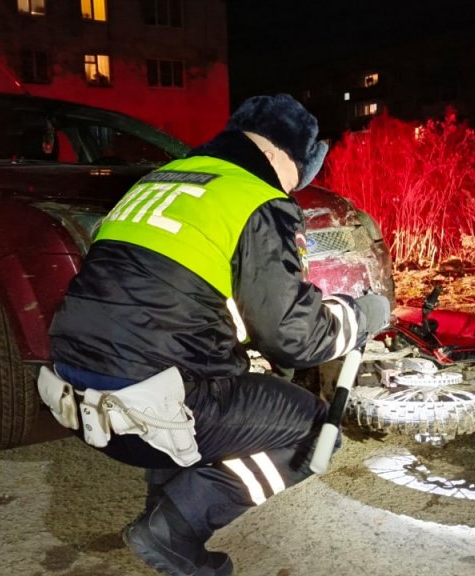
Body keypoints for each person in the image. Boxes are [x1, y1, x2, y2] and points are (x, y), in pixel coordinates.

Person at [47, 93, 390, 576]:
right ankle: (172, 530)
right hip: (150, 408)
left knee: (192, 372)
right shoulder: (254, 197)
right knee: (315, 433)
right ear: (275, 153)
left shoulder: (158, 183)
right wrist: (362, 314)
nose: (295, 186)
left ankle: (166, 514)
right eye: (298, 170)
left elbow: (170, 297)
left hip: (78, 395)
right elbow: (292, 335)